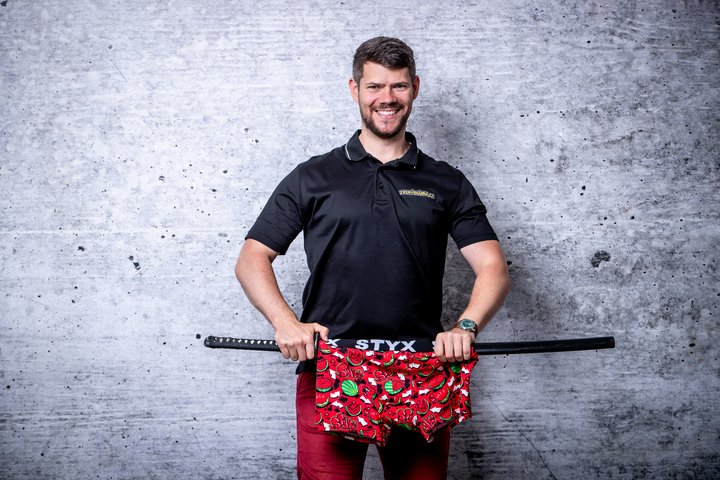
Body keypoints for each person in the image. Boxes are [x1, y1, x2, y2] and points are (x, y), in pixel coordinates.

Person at [235, 36, 510, 480]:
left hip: (420, 370)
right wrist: (285, 323)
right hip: (331, 367)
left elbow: (493, 267)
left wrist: (466, 326)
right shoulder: (313, 176)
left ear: (414, 88)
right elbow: (252, 258)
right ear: (354, 89)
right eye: (375, 86)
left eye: (398, 86)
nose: (387, 98)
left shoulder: (446, 181)